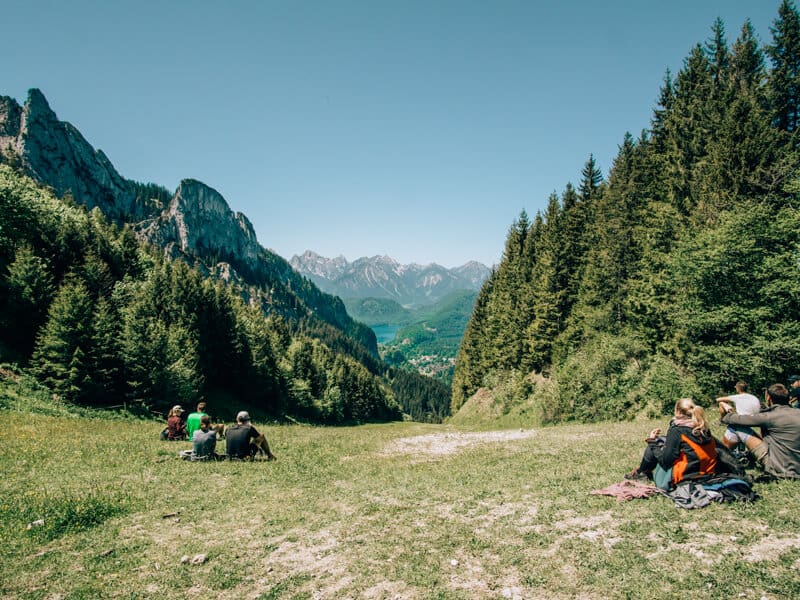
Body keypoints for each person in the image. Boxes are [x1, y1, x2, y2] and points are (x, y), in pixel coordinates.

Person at [625, 398, 718, 489]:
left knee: (656, 442)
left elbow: (665, 461)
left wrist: (651, 441)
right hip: (708, 473)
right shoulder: (702, 427)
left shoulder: (677, 431)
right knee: (662, 439)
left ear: (677, 411)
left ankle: (642, 473)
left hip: (685, 477)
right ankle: (642, 472)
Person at [721, 383, 800, 479]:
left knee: (736, 427)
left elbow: (731, 419)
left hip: (779, 469)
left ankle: (720, 460)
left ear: (769, 398)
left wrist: (726, 410)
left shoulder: (769, 417)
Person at [716, 381, 762, 450]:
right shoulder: (754, 397)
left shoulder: (737, 397)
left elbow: (718, 399)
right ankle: (741, 450)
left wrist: (727, 404)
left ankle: (722, 421)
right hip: (754, 421)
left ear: (738, 389)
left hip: (741, 421)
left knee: (721, 403)